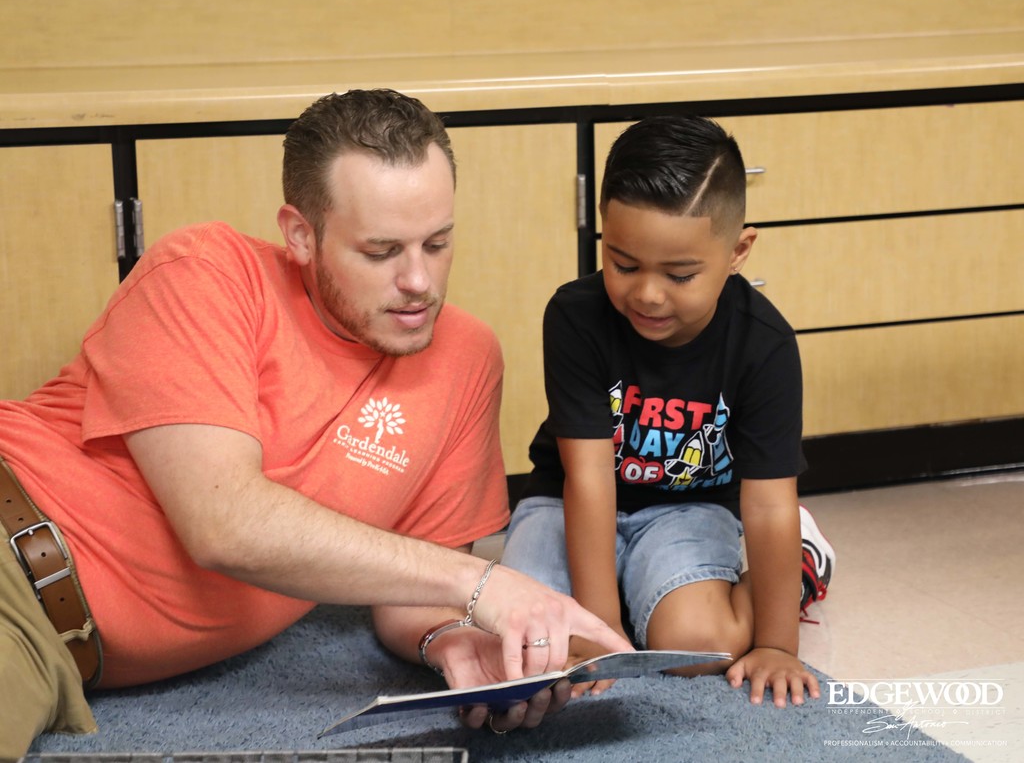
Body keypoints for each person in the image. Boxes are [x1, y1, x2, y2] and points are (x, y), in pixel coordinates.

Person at [0, 88, 630, 759]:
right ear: (301, 234)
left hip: (58, 655)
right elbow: (225, 525)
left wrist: (451, 639)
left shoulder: (467, 359)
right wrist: (480, 585)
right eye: (382, 251)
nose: (420, 280)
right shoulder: (205, 275)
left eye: (438, 243)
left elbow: (409, 582)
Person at [500, 114, 836, 708]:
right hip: (565, 499)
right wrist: (601, 629)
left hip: (690, 506)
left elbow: (765, 500)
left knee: (698, 647)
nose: (648, 294)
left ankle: (800, 561)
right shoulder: (574, 317)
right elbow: (588, 476)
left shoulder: (765, 343)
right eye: (624, 265)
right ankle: (625, 601)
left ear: (738, 251)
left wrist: (779, 646)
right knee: (529, 643)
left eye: (680, 275)